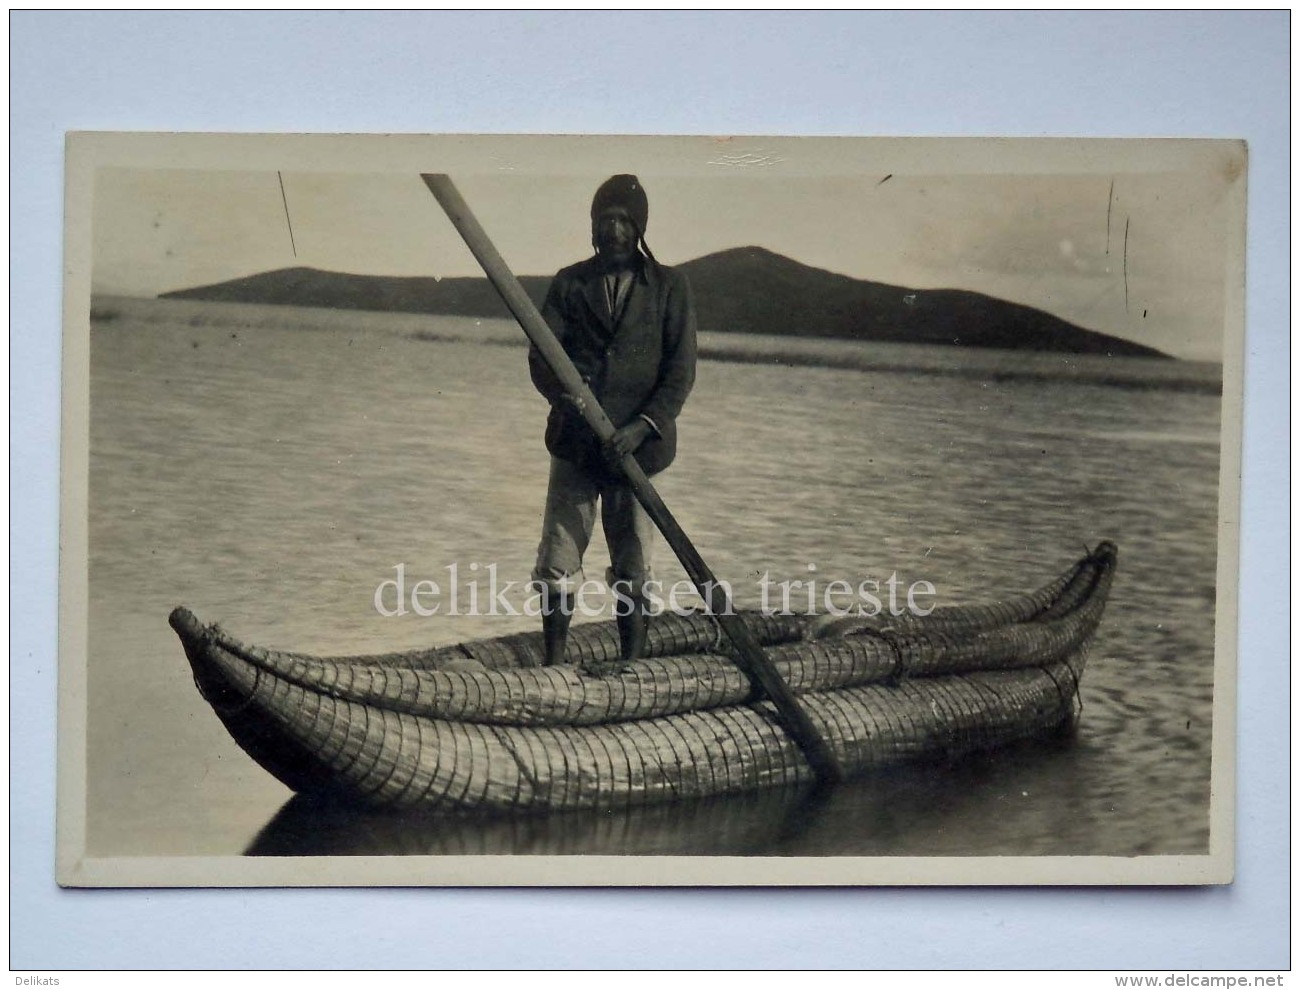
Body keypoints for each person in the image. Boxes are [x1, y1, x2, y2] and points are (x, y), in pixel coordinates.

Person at [528, 174, 698, 669]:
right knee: (558, 557)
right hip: (576, 445)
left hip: (638, 450)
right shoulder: (570, 282)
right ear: (594, 227)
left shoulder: (670, 288)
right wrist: (566, 397)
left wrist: (642, 426)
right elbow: (541, 357)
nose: (615, 231)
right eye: (606, 221)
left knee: (634, 563)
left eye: (625, 221)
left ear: (640, 227)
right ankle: (554, 664)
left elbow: (680, 372)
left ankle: (633, 665)